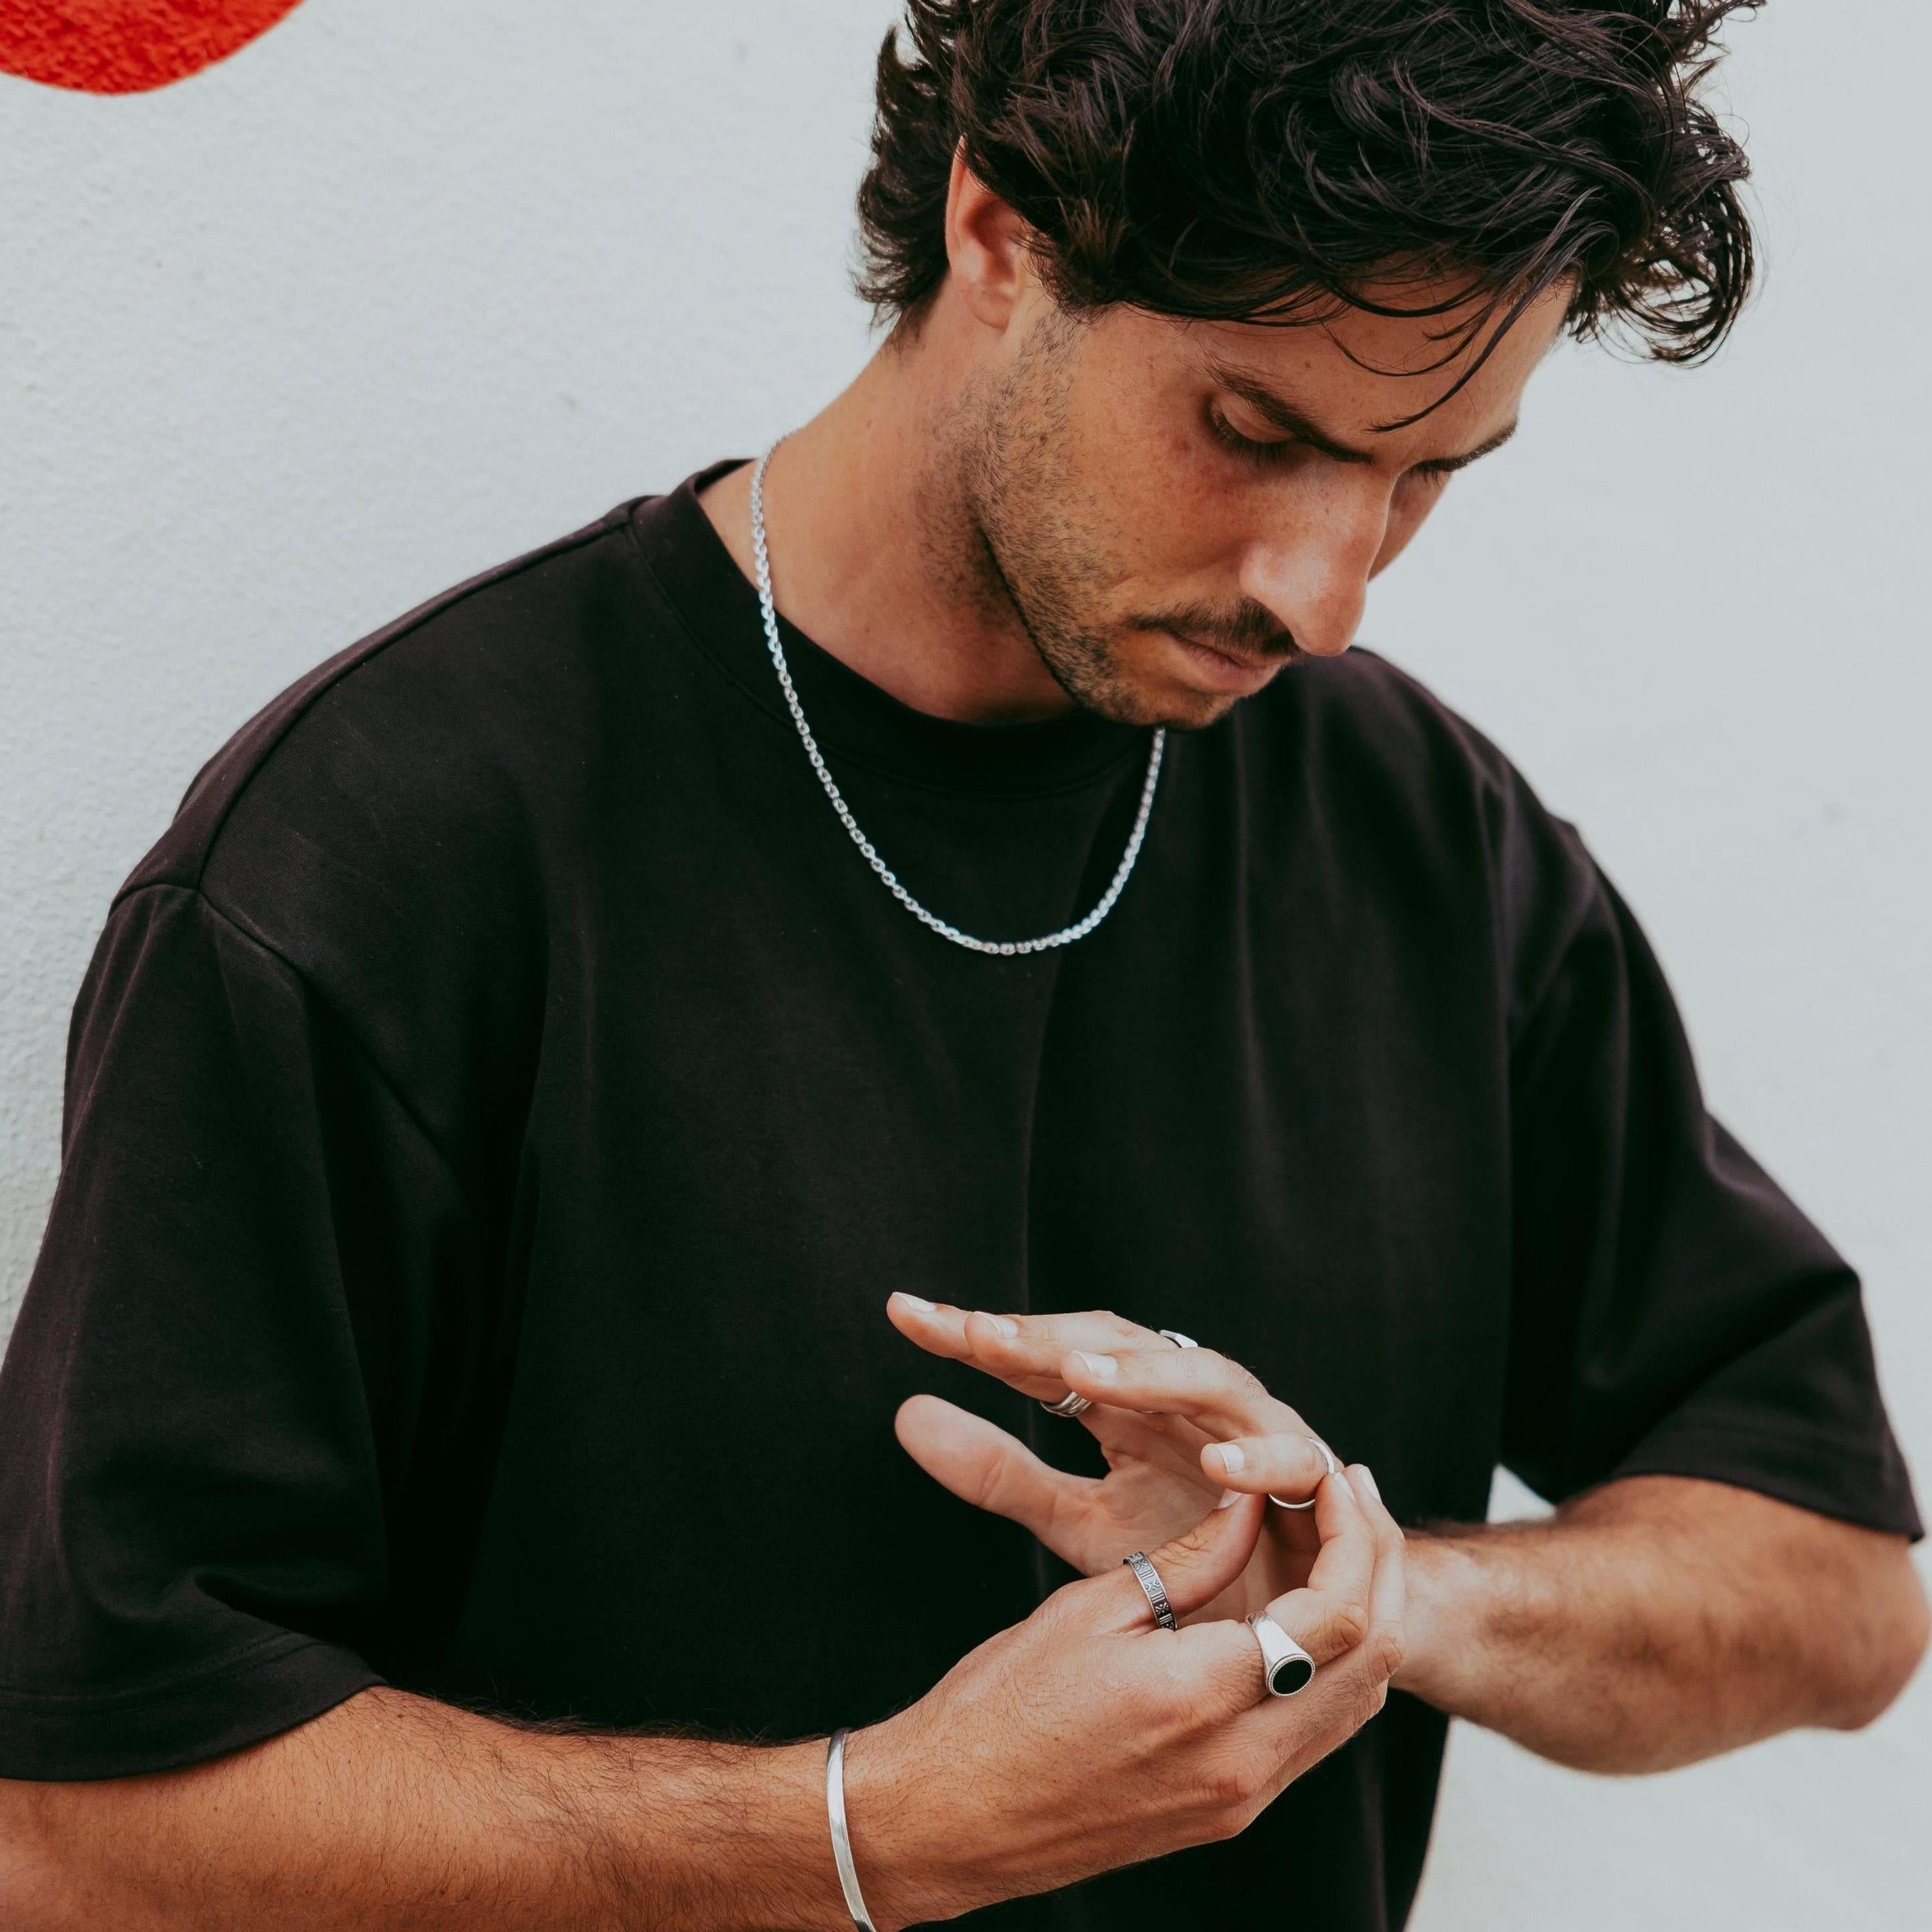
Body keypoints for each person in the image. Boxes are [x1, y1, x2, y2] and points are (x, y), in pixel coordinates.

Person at [1, 3, 1924, 1927]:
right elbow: (73, 1830)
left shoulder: (1426, 835)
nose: (1326, 594)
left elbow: (1839, 1588)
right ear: (1001, 232)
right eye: (1255, 432)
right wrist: (870, 1828)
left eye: (1429, 473)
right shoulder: (391, 849)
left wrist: (1375, 1589)